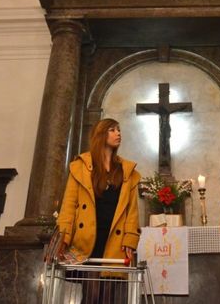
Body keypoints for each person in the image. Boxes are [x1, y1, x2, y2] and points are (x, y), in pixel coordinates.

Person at [56, 118, 141, 303]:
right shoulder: (81, 166)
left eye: (119, 129)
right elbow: (69, 205)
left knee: (108, 296)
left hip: (114, 240)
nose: (118, 133)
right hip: (88, 238)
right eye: (112, 130)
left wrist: (130, 239)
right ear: (101, 135)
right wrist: (63, 238)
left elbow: (131, 211)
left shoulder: (126, 170)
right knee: (92, 295)